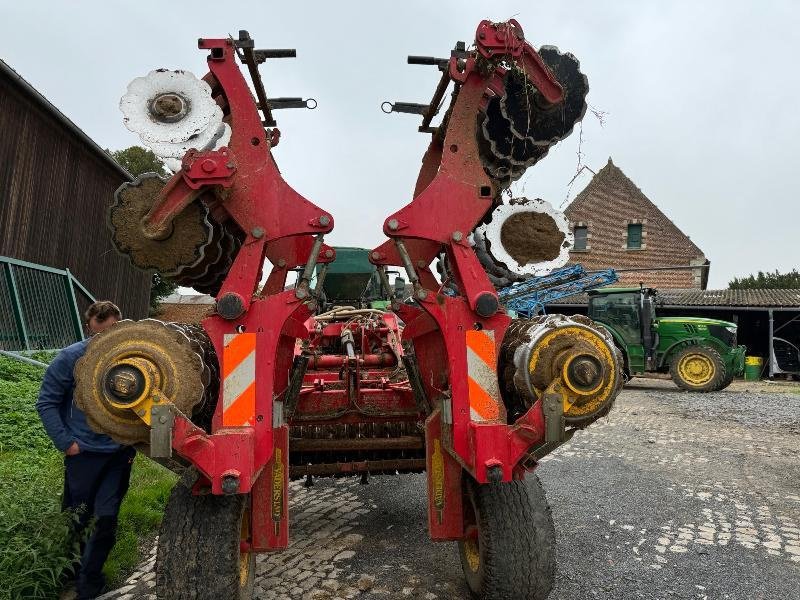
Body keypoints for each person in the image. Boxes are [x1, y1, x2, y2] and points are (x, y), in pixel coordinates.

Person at [36, 300, 134, 600]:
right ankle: (68, 576)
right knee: (77, 519)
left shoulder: (130, 356)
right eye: (99, 334)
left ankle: (88, 585)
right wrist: (68, 444)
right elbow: (46, 402)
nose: (105, 340)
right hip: (84, 455)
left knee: (105, 520)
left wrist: (134, 442)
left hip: (118, 456)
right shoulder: (72, 358)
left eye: (112, 332)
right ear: (89, 328)